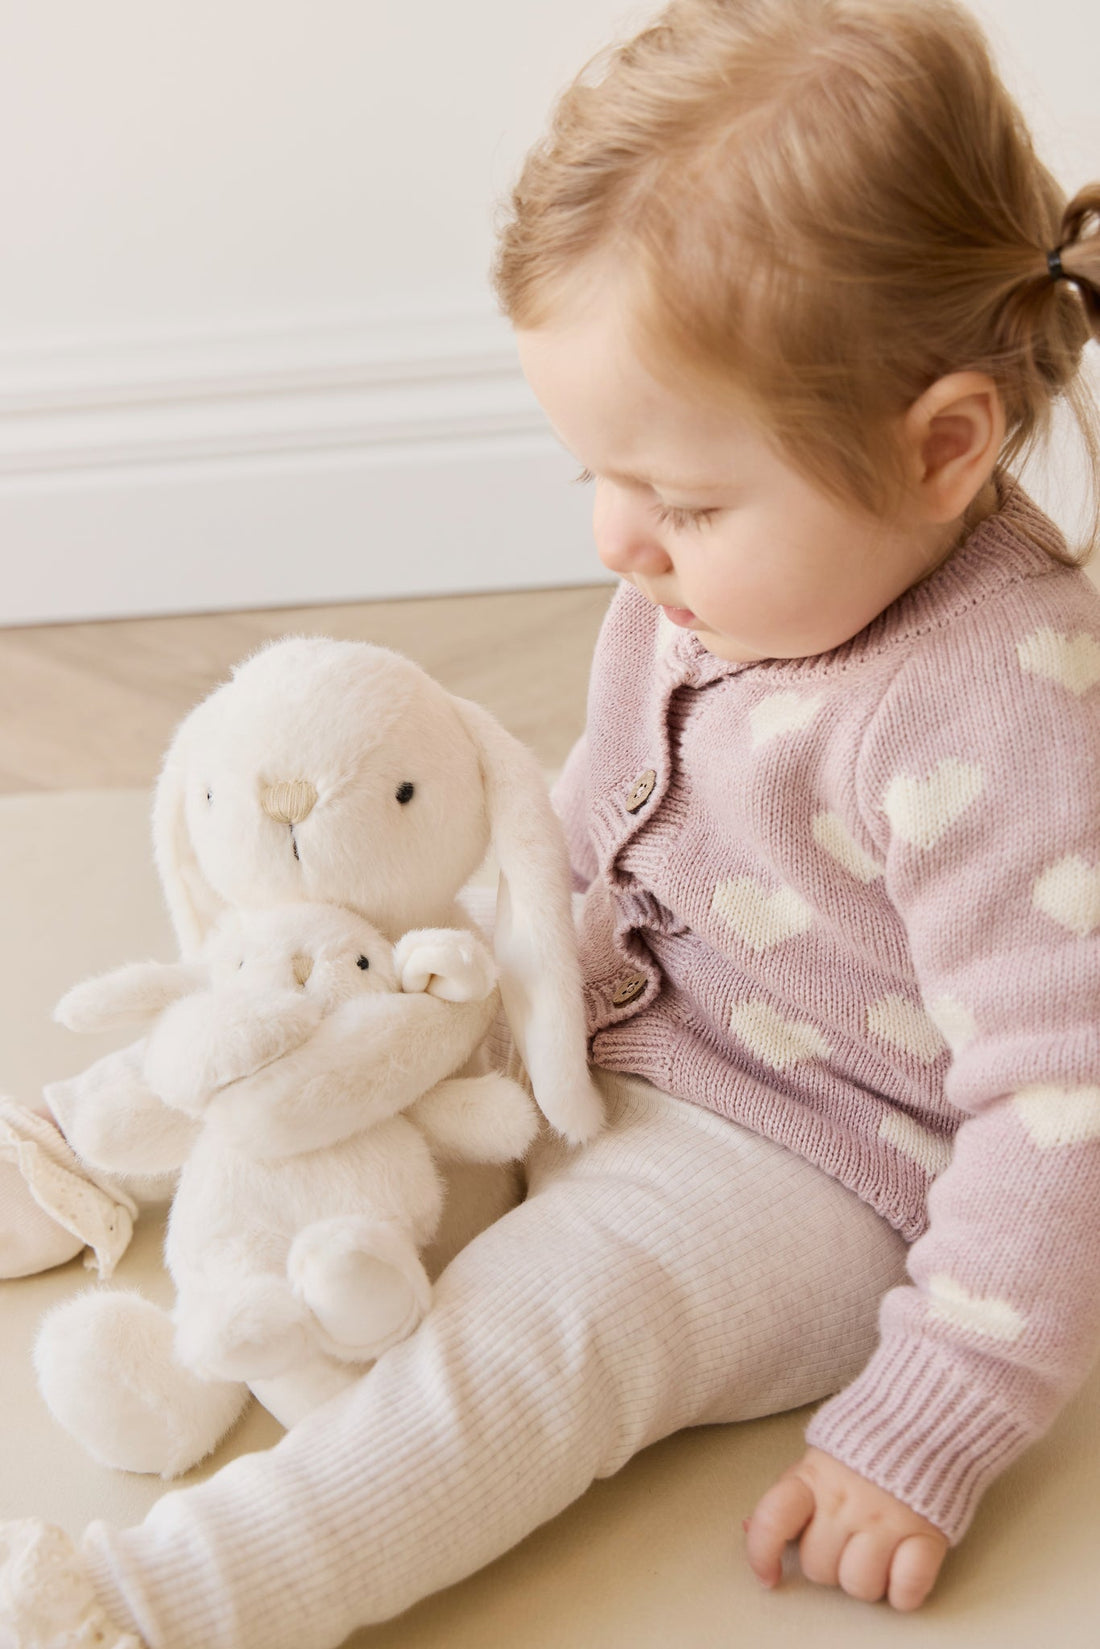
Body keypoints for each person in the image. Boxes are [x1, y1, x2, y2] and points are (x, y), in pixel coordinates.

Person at [3, 0, 1100, 1642]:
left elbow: (1065, 1102)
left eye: (682, 500)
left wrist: (936, 1405)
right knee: (328, 977)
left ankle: (177, 1595)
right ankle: (82, 1145)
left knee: (541, 1332)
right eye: (590, 473)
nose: (616, 540)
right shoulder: (721, 580)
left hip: (819, 1158)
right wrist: (467, 971)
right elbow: (605, 809)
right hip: (611, 989)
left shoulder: (1002, 712)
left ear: (940, 447)